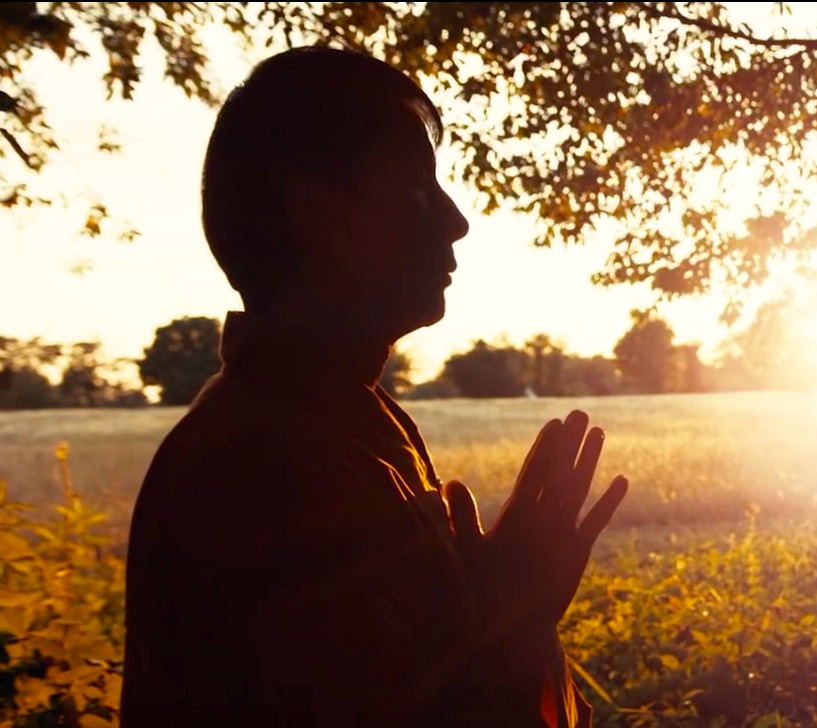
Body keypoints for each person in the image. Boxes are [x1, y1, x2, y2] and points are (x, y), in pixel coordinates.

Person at [119, 45, 629, 727]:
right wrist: (515, 611)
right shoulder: (262, 474)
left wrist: (497, 595)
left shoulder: (343, 426)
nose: (455, 220)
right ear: (317, 212)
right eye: (417, 184)